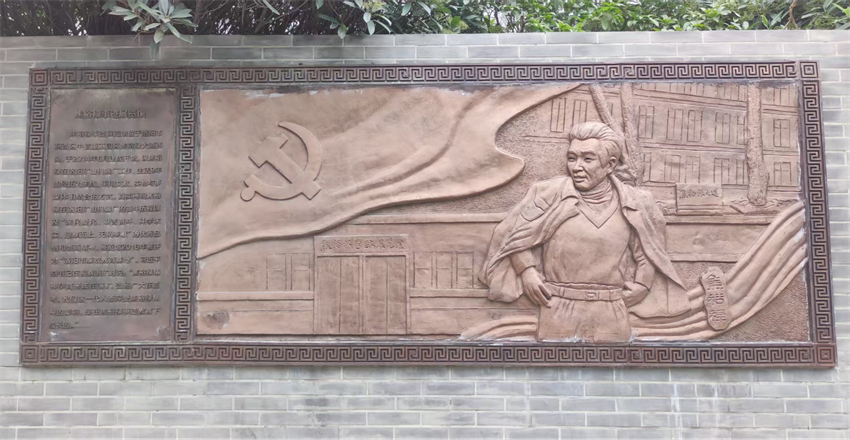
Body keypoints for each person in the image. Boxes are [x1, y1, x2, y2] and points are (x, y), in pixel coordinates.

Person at [479, 121, 692, 342]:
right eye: (572, 158)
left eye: (588, 159)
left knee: (616, 361)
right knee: (553, 359)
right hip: (557, 305)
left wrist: (642, 285)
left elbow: (647, 250)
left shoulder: (636, 202)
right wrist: (527, 271)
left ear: (609, 165)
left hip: (611, 308)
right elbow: (514, 233)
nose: (576, 167)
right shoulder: (547, 194)